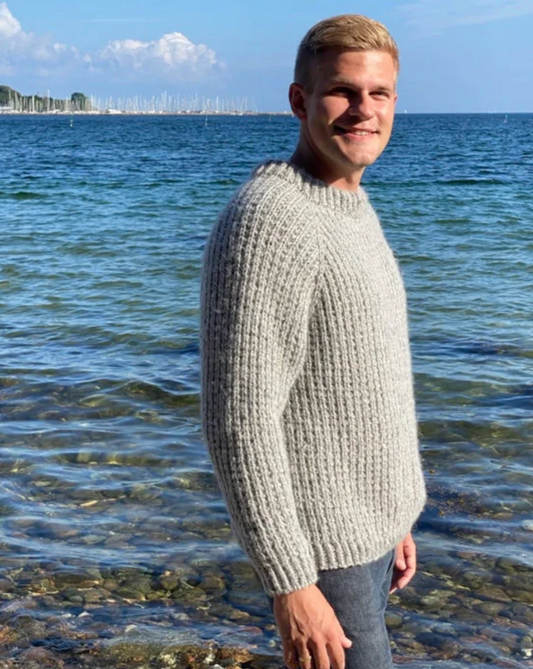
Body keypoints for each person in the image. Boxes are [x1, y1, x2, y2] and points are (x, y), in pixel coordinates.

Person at [199, 13, 427, 669]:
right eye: (342, 91)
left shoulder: (349, 204)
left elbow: (365, 383)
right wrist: (290, 583)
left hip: (371, 537)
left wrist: (394, 517)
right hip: (323, 554)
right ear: (300, 100)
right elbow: (239, 419)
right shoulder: (270, 218)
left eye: (379, 93)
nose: (364, 110)